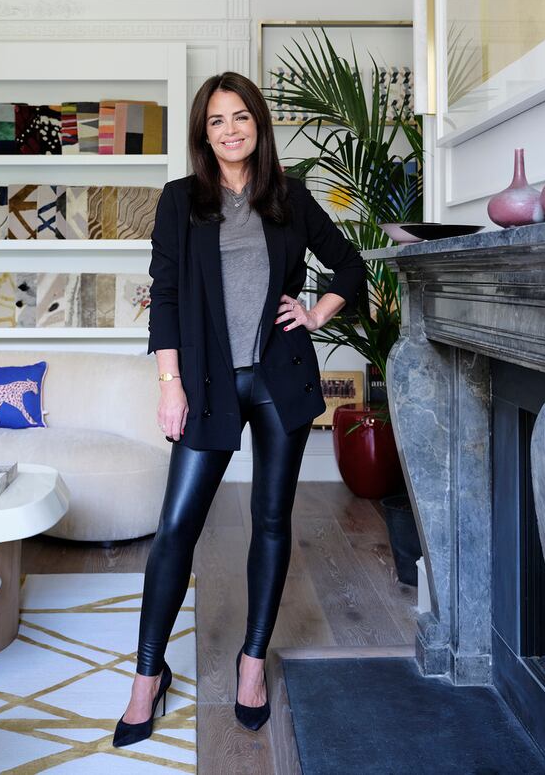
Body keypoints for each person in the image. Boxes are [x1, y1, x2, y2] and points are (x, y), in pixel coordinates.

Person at [113, 71, 367, 747]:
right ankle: (148, 674)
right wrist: (171, 384)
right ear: (204, 132)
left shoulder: (288, 198)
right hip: (206, 383)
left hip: (279, 380)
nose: (231, 129)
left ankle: (251, 661)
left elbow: (350, 266)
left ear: (258, 124)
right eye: (218, 119)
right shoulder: (179, 202)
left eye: (242, 117)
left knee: (272, 521)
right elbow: (164, 297)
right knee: (175, 529)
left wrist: (314, 313)